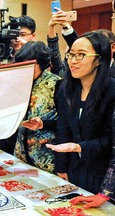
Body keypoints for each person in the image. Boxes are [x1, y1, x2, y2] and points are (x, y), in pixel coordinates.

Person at [46, 31, 115, 194]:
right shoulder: (66, 88)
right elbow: (63, 129)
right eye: (71, 55)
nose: (73, 61)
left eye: (81, 55)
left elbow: (110, 140)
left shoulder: (111, 90)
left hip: (103, 173)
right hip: (73, 168)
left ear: (99, 59)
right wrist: (61, 168)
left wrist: (79, 147)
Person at [13, 41, 61, 173]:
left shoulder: (56, 84)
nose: (27, 70)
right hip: (21, 156)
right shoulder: (20, 84)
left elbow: (66, 124)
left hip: (47, 159)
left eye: (31, 65)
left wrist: (43, 124)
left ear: (42, 62)